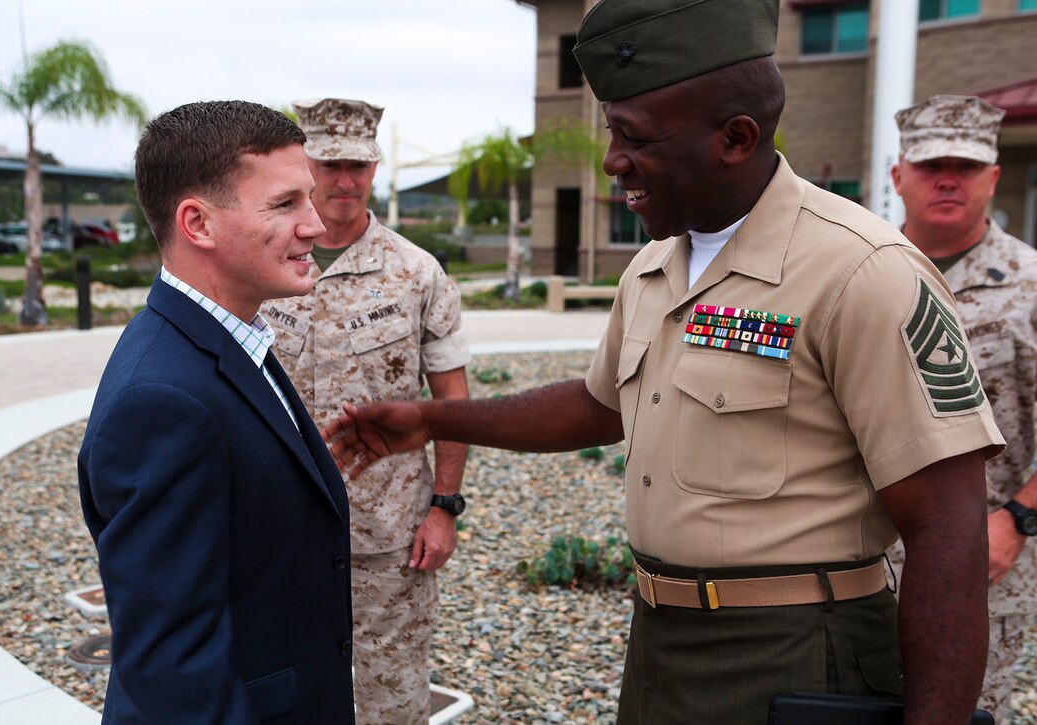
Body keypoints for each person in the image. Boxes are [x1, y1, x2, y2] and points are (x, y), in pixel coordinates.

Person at [322, 2, 1006, 724]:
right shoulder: (655, 265)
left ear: (735, 138)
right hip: (661, 639)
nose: (613, 159)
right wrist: (431, 418)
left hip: (799, 650)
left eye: (634, 137)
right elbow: (600, 405)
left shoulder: (864, 272)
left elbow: (948, 527)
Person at [77, 100, 354, 724]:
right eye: (285, 205)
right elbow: (172, 666)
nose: (315, 225)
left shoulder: (224, 339)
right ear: (197, 223)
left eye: (306, 199)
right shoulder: (163, 401)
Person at [261, 97, 471, 724]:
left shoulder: (416, 273)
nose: (345, 181)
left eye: (359, 165)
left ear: (374, 168)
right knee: (285, 686)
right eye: (330, 165)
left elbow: (452, 403)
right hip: (281, 528)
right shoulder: (265, 265)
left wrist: (444, 510)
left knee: (392, 697)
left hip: (389, 534)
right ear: (306, 164)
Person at [889, 94, 1037, 722]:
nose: (947, 178)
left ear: (993, 177)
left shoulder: (1030, 285)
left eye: (966, 165)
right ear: (898, 176)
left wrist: (1018, 521)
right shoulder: (861, 272)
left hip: (980, 568)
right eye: (930, 165)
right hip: (854, 567)